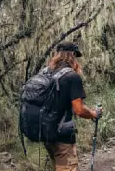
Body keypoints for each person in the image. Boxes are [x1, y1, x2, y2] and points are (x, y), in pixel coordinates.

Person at [44, 41, 102, 171]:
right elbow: (79, 109)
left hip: (45, 132)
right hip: (62, 135)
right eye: (75, 56)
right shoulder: (72, 76)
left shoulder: (47, 73)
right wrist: (94, 114)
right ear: (71, 55)